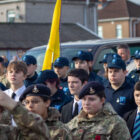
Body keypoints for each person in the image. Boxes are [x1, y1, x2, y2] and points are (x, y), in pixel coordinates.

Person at [67, 81, 131, 140]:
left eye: (91, 99)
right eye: (84, 99)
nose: (86, 103)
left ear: (102, 100)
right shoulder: (76, 121)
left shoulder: (115, 123)